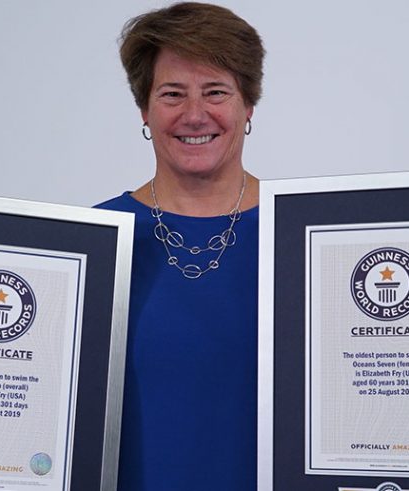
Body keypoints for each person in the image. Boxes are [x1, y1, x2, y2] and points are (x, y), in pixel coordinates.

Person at [95, 3, 265, 490]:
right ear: (144, 109)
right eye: (172, 94)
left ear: (247, 105)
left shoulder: (303, 241)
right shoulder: (94, 242)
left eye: (216, 92)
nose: (195, 115)